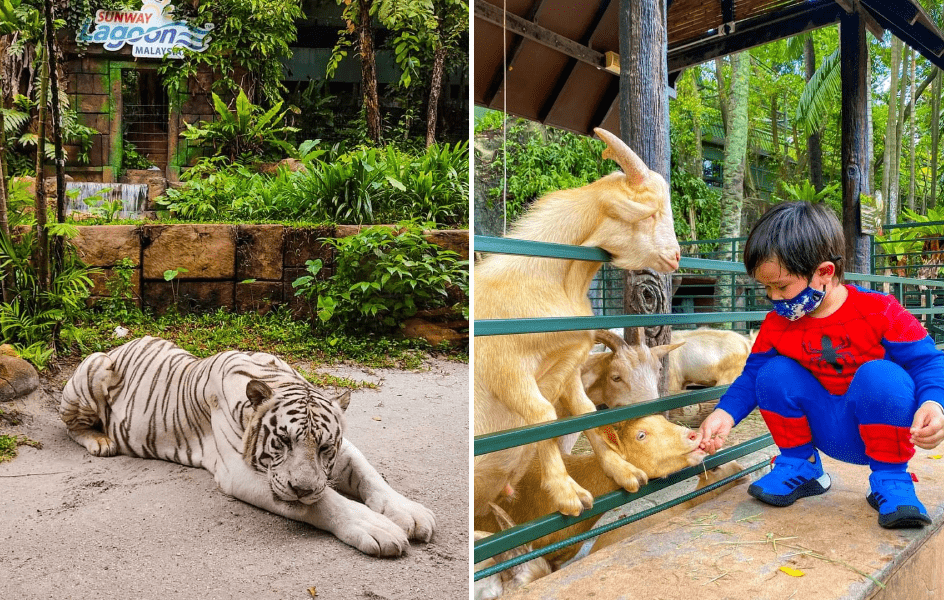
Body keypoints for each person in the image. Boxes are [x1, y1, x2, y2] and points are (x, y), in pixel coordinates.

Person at [698, 201, 944, 528]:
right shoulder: (777, 324)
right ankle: (802, 466)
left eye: (781, 286)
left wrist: (934, 404)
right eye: (767, 288)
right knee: (772, 373)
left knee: (881, 375)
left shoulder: (880, 310)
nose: (773, 297)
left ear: (824, 272)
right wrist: (724, 413)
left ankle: (890, 479)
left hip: (878, 430)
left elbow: (928, 361)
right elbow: (752, 375)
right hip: (824, 427)